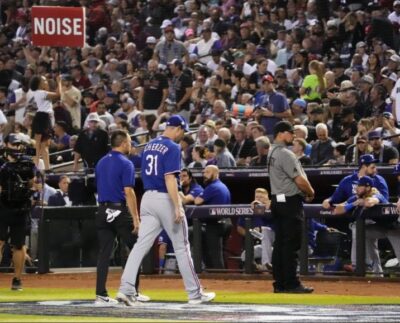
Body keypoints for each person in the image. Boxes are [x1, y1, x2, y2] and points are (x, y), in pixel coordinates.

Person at [117, 115, 215, 305]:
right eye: (182, 131)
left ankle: (126, 289)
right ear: (178, 128)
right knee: (182, 247)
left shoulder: (149, 145)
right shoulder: (172, 147)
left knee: (140, 246)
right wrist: (177, 205)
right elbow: (170, 178)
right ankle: (195, 294)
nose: (182, 135)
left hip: (147, 198)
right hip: (164, 198)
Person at [94, 130, 147, 305]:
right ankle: (133, 291)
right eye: (130, 142)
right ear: (123, 143)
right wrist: (136, 218)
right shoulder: (126, 163)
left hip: (102, 210)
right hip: (119, 211)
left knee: (104, 253)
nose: (131, 145)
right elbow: (129, 192)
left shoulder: (101, 162)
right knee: (136, 249)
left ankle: (100, 294)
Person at [267, 121, 315, 293]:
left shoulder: (271, 151)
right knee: (291, 245)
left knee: (280, 244)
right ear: (281, 133)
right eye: (291, 132)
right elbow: (300, 180)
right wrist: (310, 192)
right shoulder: (285, 154)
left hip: (277, 201)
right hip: (289, 202)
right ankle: (291, 283)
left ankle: (280, 283)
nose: (294, 136)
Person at [0, 134, 35, 290]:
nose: (18, 147)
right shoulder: (1, 163)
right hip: (2, 207)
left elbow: (31, 184)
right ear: (6, 144)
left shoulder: (26, 164)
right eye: (14, 144)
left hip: (20, 208)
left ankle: (17, 279)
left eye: (19, 144)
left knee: (19, 245)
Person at [194, 165, 232, 269]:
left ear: (215, 174)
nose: (204, 175)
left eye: (207, 172)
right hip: (226, 223)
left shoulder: (213, 187)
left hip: (215, 224)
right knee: (220, 253)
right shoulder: (223, 186)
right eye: (204, 172)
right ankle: (225, 278)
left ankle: (220, 280)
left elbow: (197, 201)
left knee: (215, 255)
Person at [28, 75, 61, 170]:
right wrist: (59, 81)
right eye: (44, 80)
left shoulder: (39, 93)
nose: (46, 82)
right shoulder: (41, 92)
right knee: (37, 144)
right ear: (39, 84)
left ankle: (47, 168)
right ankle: (35, 166)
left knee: (45, 145)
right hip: (42, 117)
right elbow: (58, 94)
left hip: (46, 118)